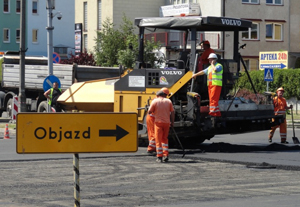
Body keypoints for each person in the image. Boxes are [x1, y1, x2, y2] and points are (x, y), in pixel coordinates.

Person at [148, 87, 175, 163]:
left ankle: (159, 157)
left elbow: (149, 112)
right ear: (164, 95)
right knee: (165, 139)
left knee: (158, 140)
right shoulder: (169, 101)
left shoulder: (155, 101)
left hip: (158, 123)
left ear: (157, 95)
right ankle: (166, 155)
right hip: (167, 123)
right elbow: (172, 112)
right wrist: (172, 122)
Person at [192, 53, 223, 117]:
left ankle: (213, 113)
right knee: (212, 99)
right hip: (210, 85)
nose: (209, 61)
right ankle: (216, 113)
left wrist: (212, 64)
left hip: (216, 85)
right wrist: (195, 74)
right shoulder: (209, 67)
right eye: (209, 60)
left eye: (210, 60)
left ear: (214, 60)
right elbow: (203, 72)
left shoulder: (219, 66)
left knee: (214, 99)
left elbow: (216, 70)